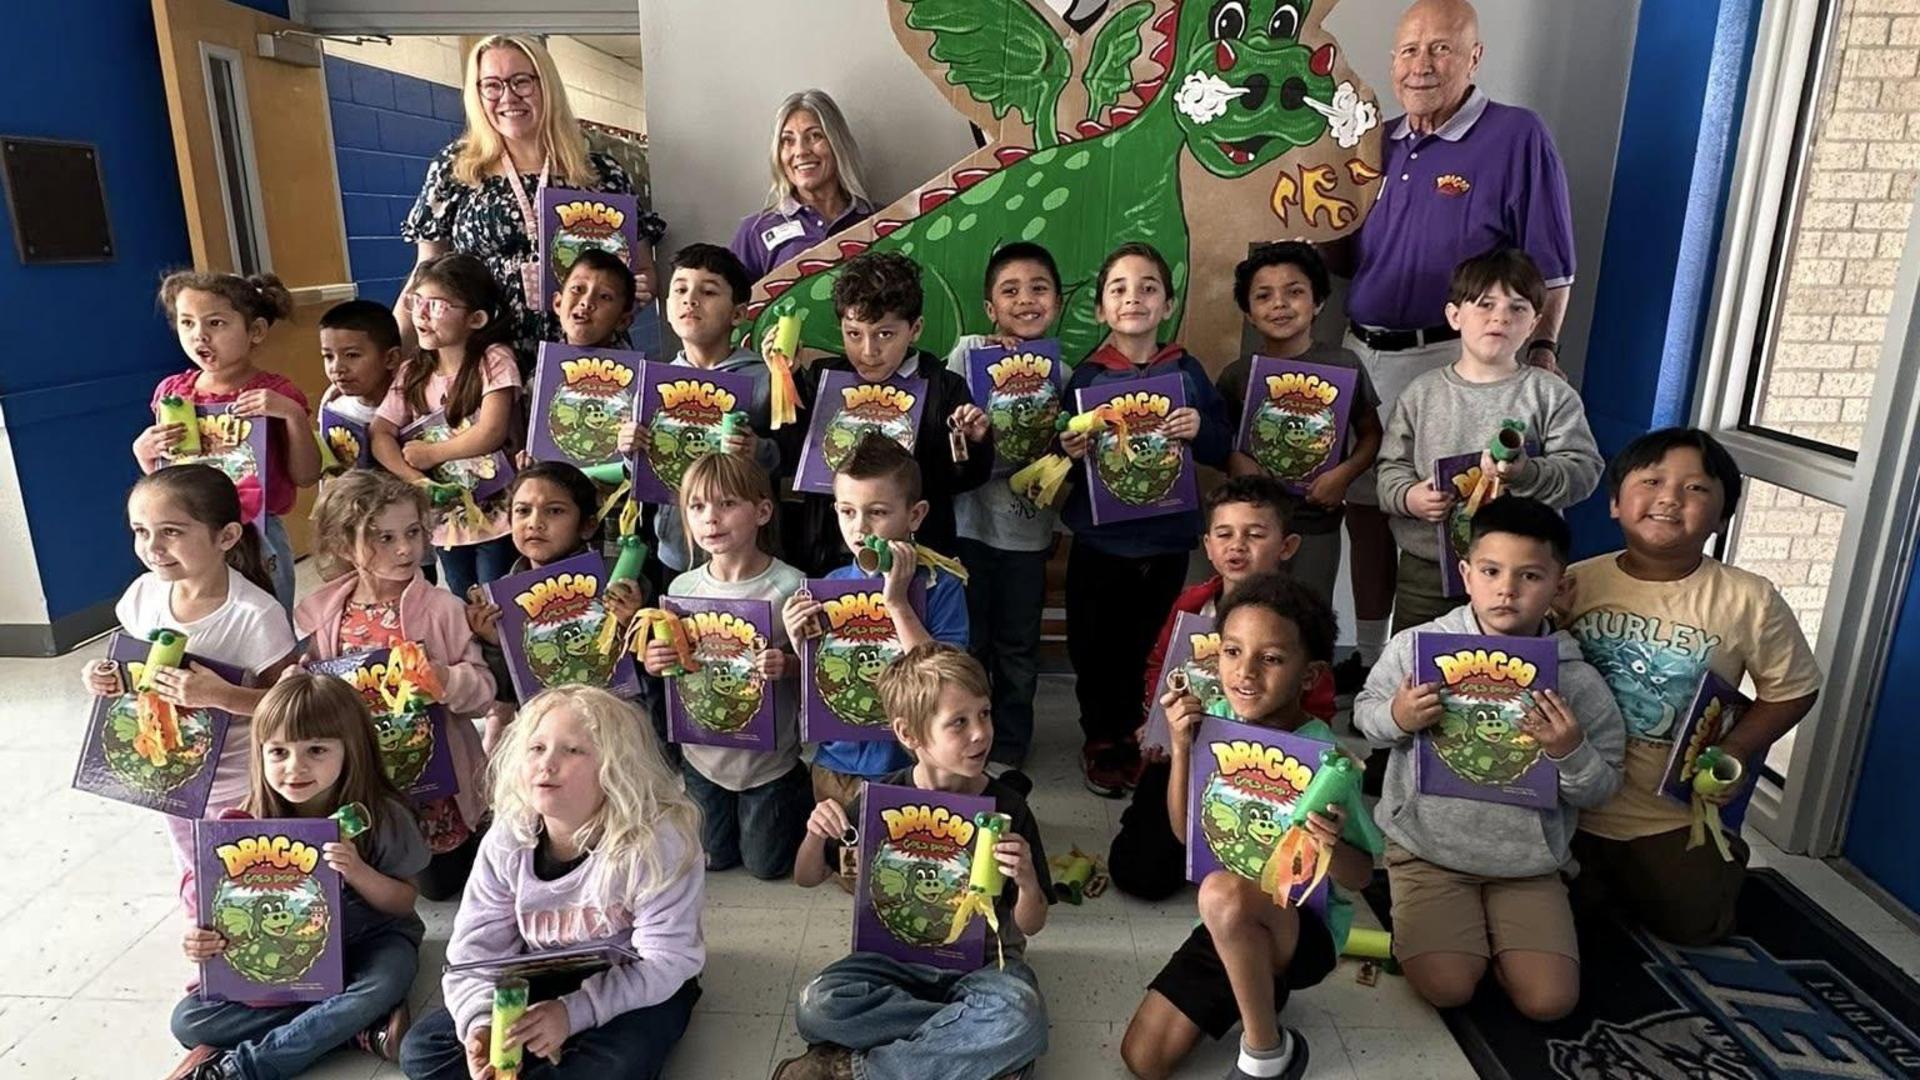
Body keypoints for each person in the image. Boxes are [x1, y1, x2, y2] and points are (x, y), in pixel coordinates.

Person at [1329, 0, 1578, 684]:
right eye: (1409, 51)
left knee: (1453, 513)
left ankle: (1452, 667)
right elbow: (1349, 256)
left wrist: (1543, 353)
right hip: (1362, 348)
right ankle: (1376, 654)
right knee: (1368, 505)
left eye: (1440, 49)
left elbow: (1553, 268)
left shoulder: (1516, 136)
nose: (1421, 65)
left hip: (1451, 356)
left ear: (1474, 57)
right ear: (1392, 62)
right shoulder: (1374, 142)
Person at [1353, 495, 1625, 1019]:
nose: (1506, 589)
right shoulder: (1416, 647)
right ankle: (1459, 936)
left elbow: (1602, 787)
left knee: (1550, 1002)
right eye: (1491, 571)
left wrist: (1570, 752)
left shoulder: (1575, 678)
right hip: (1428, 851)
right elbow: (1366, 718)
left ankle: (1509, 940)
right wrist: (1399, 716)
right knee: (1448, 986)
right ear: (1466, 573)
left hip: (1527, 864)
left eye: (1530, 576)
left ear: (1559, 585)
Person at [1565, 429, 1822, 945]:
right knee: (1555, 914)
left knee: (1695, 926)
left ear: (1723, 518)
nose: (1669, 498)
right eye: (1652, 481)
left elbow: (1793, 688)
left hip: (1669, 816)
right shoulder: (1572, 582)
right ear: (1615, 502)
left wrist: (1736, 748)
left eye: (1696, 489)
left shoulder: (1749, 598)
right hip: (1569, 804)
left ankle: (1713, 859)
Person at [1121, 574, 1382, 1080]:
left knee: (1221, 893)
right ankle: (1255, 976)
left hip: (1305, 930)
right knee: (1144, 1060)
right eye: (1233, 652)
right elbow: (1184, 837)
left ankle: (1267, 1053)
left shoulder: (1326, 758)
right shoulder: (1212, 722)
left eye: (1272, 659)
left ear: (1310, 675)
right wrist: (1180, 748)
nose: (1245, 673)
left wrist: (1330, 848)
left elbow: (1362, 877)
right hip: (1230, 915)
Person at [774, 644, 1051, 1080]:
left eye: (984, 714)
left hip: (984, 965)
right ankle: (964, 1041)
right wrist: (815, 833)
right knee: (817, 1004)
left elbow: (1032, 923)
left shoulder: (1009, 808)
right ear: (909, 734)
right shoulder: (876, 800)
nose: (980, 733)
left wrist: (1028, 879)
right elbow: (807, 877)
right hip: (893, 964)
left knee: (1021, 1014)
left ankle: (854, 1068)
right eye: (959, 722)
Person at [398, 687, 705, 1080]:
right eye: (537, 748)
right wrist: (480, 1025)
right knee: (423, 1050)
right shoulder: (508, 838)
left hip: (637, 978)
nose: (547, 764)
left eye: (573, 750)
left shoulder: (660, 841)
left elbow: (667, 959)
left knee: (621, 1062)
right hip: (541, 971)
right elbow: (473, 953)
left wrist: (572, 1013)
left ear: (617, 768)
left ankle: (555, 1050)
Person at [165, 673, 427, 1080]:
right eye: (278, 752)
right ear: (261, 754)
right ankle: (352, 1029)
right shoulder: (246, 820)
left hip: (373, 938)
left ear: (352, 749)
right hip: (293, 957)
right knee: (190, 1021)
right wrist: (205, 942)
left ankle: (244, 1068)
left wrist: (357, 871)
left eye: (316, 749)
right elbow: (217, 906)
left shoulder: (384, 814)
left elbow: (403, 904)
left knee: (385, 982)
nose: (295, 767)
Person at [1111, 477, 1334, 902]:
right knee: (1139, 875)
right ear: (1208, 546)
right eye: (1225, 535)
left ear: (1286, 547)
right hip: (1184, 755)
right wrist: (1154, 725)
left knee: (1262, 881)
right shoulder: (1191, 605)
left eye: (1255, 535)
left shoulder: (1303, 622)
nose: (1237, 547)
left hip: (1260, 773)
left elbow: (1319, 712)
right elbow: (1162, 667)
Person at [1061, 242, 1232, 798]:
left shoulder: (1185, 373)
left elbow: (1220, 446)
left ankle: (1144, 737)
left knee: (1152, 647)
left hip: (1165, 540)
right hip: (1099, 542)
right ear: (1100, 309)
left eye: (1148, 287)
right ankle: (1101, 740)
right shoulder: (1087, 376)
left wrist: (1196, 429)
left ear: (1167, 304)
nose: (1133, 297)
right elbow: (1055, 457)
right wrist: (1069, 447)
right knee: (1096, 650)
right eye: (1119, 288)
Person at [84, 465, 296, 906]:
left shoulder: (255, 615)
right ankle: (207, 949)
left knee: (249, 877)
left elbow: (294, 708)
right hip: (170, 777)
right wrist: (103, 677)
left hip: (240, 783)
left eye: (172, 532)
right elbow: (125, 666)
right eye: (141, 531)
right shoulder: (143, 594)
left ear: (227, 536)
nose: (152, 547)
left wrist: (220, 695)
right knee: (195, 873)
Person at [400, 33, 663, 371]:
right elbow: (424, 278)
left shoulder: (599, 173)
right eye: (491, 85)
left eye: (521, 81)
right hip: (486, 361)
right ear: (476, 93)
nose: (508, 96)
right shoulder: (457, 170)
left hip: (587, 360)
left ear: (546, 86)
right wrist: (386, 361)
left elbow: (643, 271)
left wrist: (630, 294)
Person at [1374, 248, 1602, 633]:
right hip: (1429, 570)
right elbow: (1389, 469)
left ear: (1535, 324)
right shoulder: (1421, 393)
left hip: (1520, 573)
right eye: (1485, 305)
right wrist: (1410, 498)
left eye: (1517, 308)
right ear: (1454, 316)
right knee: (1417, 666)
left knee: (1506, 675)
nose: (1500, 317)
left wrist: (1527, 474)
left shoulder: (1550, 394)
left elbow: (1584, 471)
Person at [295, 470, 495, 901]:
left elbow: (483, 692)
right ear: (343, 546)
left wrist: (445, 679)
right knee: (369, 869)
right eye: (383, 538)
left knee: (441, 888)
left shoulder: (443, 608)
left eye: (413, 532)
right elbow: (311, 675)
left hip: (435, 781)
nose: (405, 548)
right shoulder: (329, 613)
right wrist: (300, 684)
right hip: (365, 777)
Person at [781, 436, 971, 817]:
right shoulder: (831, 584)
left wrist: (898, 602)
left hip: (911, 764)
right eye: (847, 512)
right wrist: (796, 638)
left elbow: (949, 683)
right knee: (843, 863)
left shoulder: (942, 584)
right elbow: (819, 683)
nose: (860, 528)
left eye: (878, 512)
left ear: (915, 515)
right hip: (838, 761)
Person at [774, 251, 993, 578]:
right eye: (854, 334)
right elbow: (789, 453)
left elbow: (964, 478)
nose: (868, 351)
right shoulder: (819, 379)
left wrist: (972, 442)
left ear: (915, 328)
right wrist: (783, 380)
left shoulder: (943, 387)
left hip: (917, 559)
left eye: (885, 334)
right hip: (828, 553)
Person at [643, 454, 809, 879]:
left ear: (763, 511)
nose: (710, 519)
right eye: (697, 507)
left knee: (766, 867)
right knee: (713, 859)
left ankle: (797, 795)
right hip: (703, 756)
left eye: (726, 504)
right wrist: (656, 661)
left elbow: (816, 669)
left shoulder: (790, 586)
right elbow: (672, 668)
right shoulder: (682, 587)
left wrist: (787, 664)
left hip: (769, 763)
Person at [136, 271, 317, 612]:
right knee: (200, 619)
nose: (200, 335)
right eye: (187, 323)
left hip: (258, 532)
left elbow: (306, 475)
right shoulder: (173, 393)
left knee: (268, 622)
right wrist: (145, 455)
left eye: (216, 323)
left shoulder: (276, 393)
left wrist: (291, 414)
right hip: (188, 533)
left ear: (256, 331)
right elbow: (165, 481)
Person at [947, 241, 1064, 770]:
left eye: (1039, 288)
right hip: (969, 527)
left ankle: (1011, 744)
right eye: (1010, 290)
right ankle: (965, 738)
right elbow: (947, 426)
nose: (1026, 300)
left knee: (1017, 645)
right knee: (969, 642)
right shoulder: (968, 351)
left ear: (1057, 303)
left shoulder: (1061, 373)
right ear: (991, 307)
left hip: (1028, 535)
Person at [1217, 242, 1383, 615]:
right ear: (1248, 311)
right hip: (1253, 526)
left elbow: (1371, 433)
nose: (1280, 304)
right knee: (1247, 617)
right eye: (1264, 295)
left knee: (1311, 619)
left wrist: (1344, 474)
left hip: (1316, 523)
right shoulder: (1237, 375)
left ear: (1318, 302)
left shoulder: (1345, 363)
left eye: (1294, 292)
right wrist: (1233, 458)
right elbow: (1213, 439)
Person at [617, 243, 781, 583]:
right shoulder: (652, 384)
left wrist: (757, 451)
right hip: (676, 546)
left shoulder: (764, 379)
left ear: (737, 314)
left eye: (707, 291)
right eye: (680, 289)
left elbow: (789, 457)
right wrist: (630, 451)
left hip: (750, 555)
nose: (690, 299)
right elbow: (641, 474)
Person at [464, 462, 647, 751]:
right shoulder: (501, 600)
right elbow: (509, 694)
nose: (535, 522)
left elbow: (649, 675)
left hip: (615, 736)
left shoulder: (620, 583)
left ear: (587, 525)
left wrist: (633, 625)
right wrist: (494, 644)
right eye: (523, 511)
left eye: (555, 511)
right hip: (548, 739)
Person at [371, 252, 523, 599]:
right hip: (445, 521)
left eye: (437, 305)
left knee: (495, 597)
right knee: (458, 595)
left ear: (477, 318)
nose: (422, 314)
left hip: (498, 513)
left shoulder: (493, 360)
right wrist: (416, 478)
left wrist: (432, 453)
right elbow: (380, 433)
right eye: (417, 301)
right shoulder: (413, 372)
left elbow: (491, 431)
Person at [731, 89, 875, 282]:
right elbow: (728, 307)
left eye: (814, 136)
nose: (800, 151)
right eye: (787, 141)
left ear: (837, 143)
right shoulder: (754, 232)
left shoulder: (878, 221)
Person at [318, 300, 404, 436]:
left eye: (352, 355)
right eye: (328, 356)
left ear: (391, 358)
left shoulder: (413, 410)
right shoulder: (334, 411)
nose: (336, 368)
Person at [552, 246, 638, 349]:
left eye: (604, 296)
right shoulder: (543, 362)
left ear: (622, 321)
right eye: (577, 289)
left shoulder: (632, 364)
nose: (587, 302)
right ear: (558, 303)